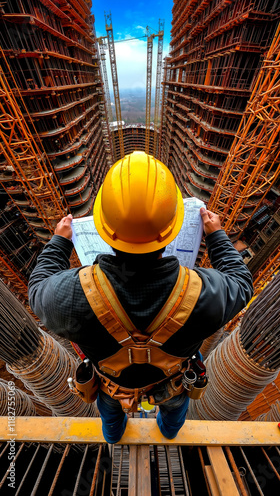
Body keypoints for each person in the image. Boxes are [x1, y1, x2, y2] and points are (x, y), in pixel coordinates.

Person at [28, 151, 253, 444]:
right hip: (173, 385)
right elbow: (241, 283)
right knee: (173, 417)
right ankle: (168, 433)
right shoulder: (204, 294)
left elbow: (37, 289)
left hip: (112, 387)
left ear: (105, 229)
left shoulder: (71, 296)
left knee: (110, 419)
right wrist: (217, 237)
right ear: (171, 230)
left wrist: (59, 242)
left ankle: (115, 437)